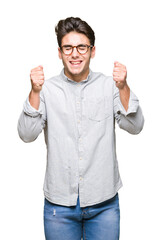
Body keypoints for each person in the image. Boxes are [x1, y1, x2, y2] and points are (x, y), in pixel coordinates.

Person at [18, 17, 144, 240]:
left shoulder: (110, 86)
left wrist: (123, 86)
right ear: (60, 52)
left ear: (92, 51)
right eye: (68, 47)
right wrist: (34, 92)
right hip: (59, 208)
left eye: (81, 47)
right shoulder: (46, 89)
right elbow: (27, 134)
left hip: (104, 205)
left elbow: (135, 126)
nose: (74, 54)